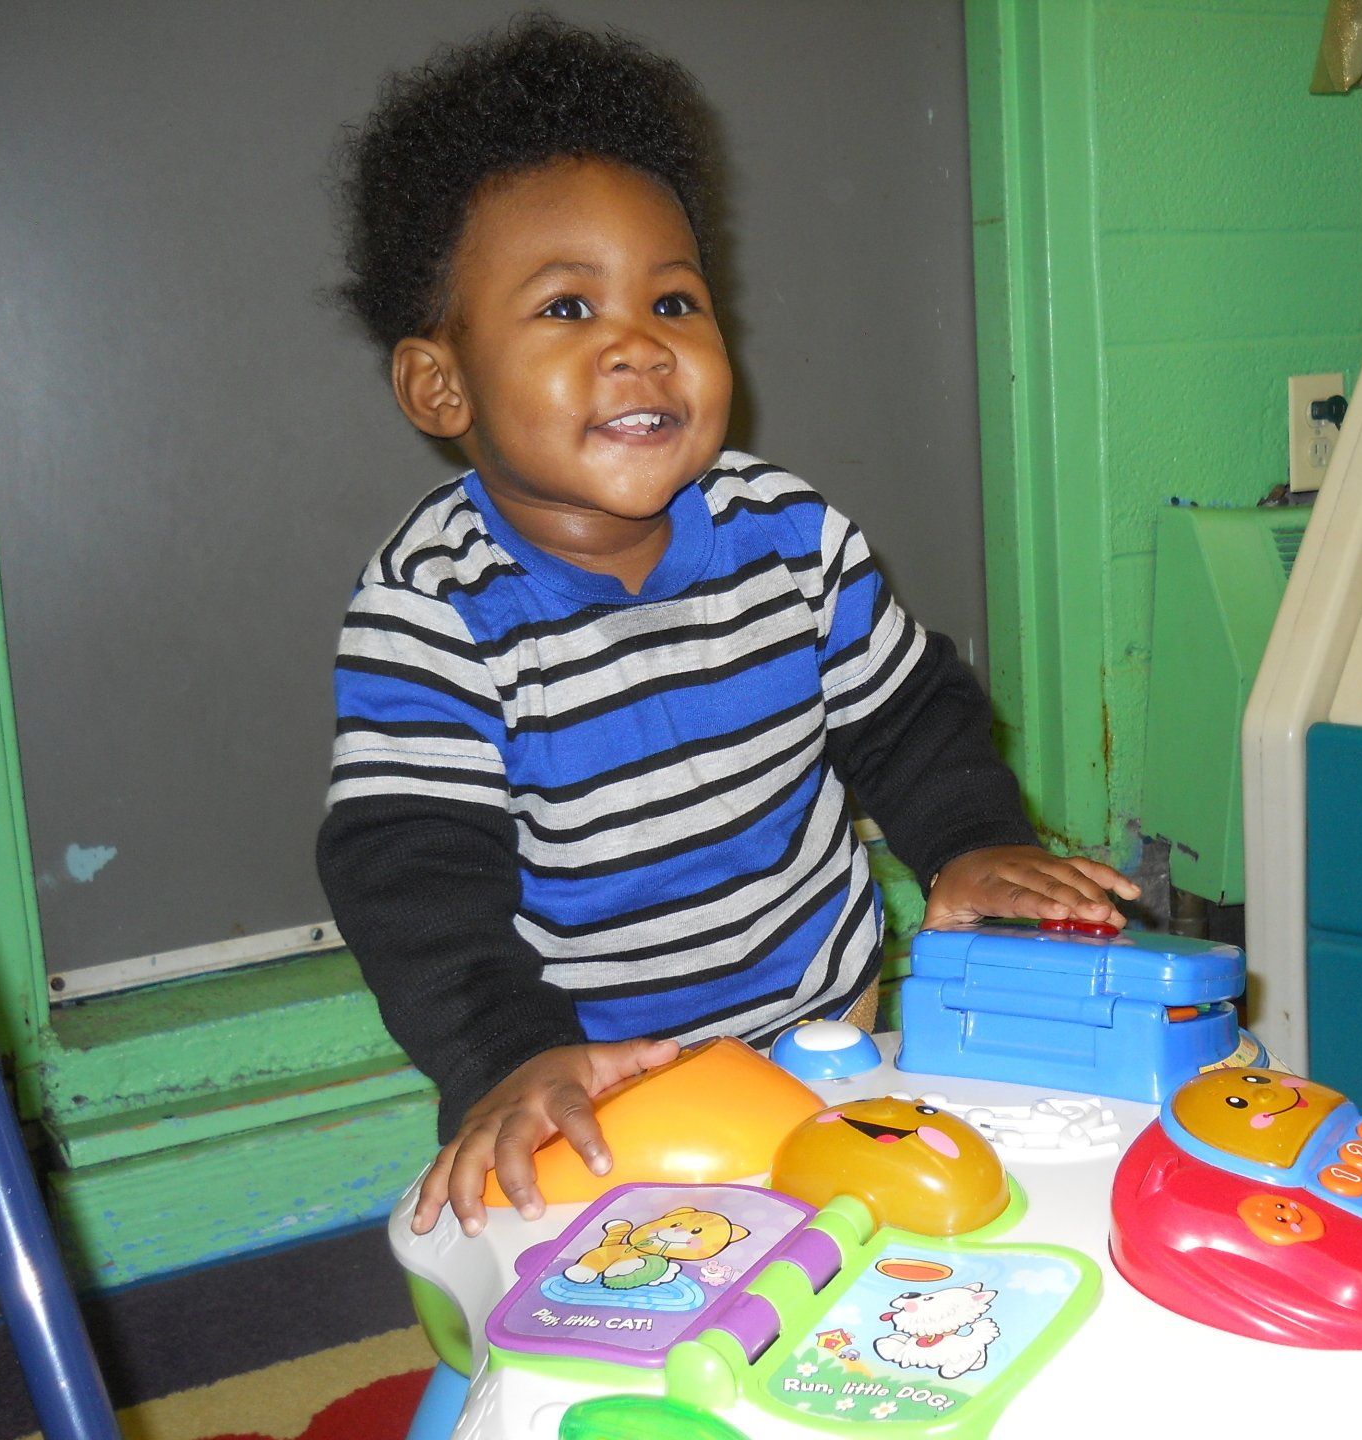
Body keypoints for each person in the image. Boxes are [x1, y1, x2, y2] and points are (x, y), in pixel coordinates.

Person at [316, 17, 1138, 1240]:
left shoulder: (788, 533)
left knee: (862, 1264)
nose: (639, 343)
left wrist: (970, 841)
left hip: (826, 1022)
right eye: (567, 307)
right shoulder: (436, 607)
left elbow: (909, 719)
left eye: (674, 299)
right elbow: (412, 875)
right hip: (603, 1082)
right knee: (635, 1305)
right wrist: (505, 1057)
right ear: (443, 385)